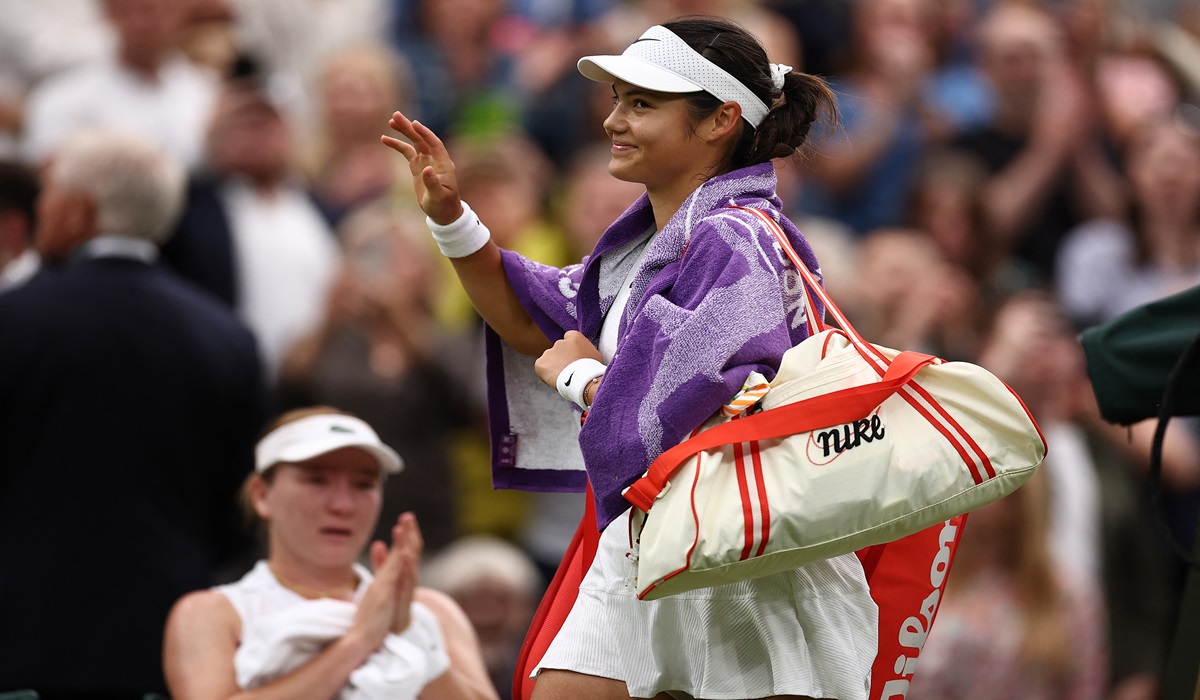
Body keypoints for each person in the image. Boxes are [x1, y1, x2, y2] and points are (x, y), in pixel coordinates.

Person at [383, 15, 879, 700]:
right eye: (617, 100)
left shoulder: (738, 240)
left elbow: (692, 407)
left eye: (642, 103)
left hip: (734, 551)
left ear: (719, 121)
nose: (614, 120)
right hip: (667, 533)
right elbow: (535, 316)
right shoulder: (655, 249)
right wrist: (451, 215)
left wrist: (583, 377)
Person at [0, 129, 266, 696]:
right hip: (171, 637)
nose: (40, 208)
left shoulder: (12, 321)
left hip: (22, 635)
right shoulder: (228, 337)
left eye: (47, 194)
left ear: (77, 210)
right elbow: (239, 505)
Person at [162, 406, 500, 699]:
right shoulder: (211, 614)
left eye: (364, 484)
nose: (343, 505)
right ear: (262, 494)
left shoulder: (430, 612)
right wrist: (360, 640)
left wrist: (410, 636)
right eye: (317, 480)